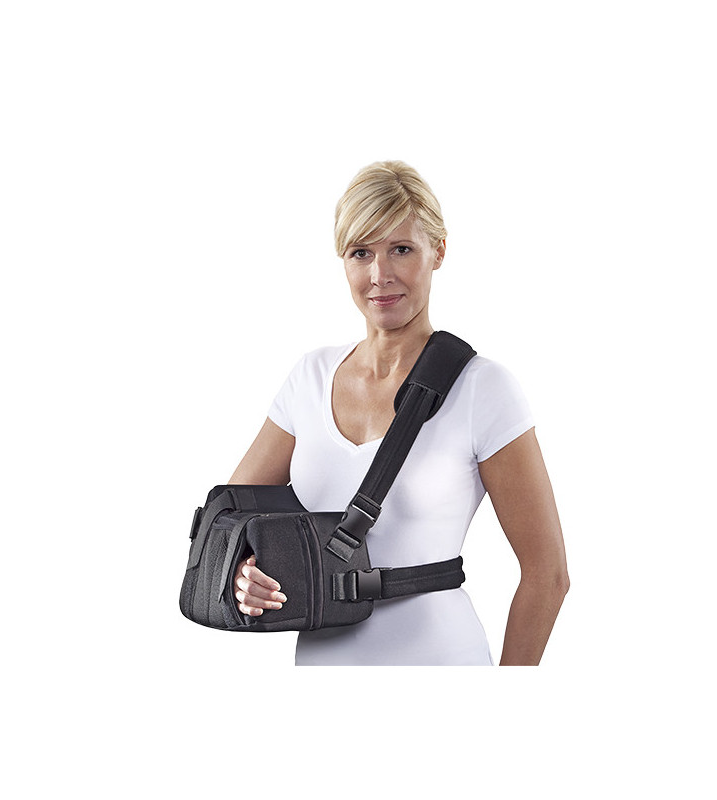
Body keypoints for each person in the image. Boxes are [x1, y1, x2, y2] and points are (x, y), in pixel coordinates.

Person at [228, 161, 569, 665]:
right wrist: (242, 570)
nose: (379, 275)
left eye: (401, 249)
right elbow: (230, 520)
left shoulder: (482, 389)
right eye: (360, 252)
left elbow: (548, 574)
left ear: (439, 251)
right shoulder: (310, 378)